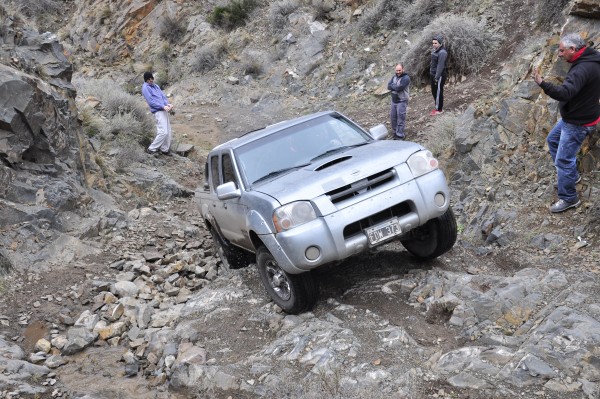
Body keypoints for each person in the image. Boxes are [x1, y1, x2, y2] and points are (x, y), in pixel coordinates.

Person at [534, 33, 600, 213]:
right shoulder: (592, 58)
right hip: (577, 117)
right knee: (552, 140)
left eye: (562, 50)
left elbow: (565, 93)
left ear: (573, 49)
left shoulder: (581, 69)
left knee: (563, 160)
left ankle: (569, 198)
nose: (560, 54)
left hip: (578, 123)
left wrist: (542, 83)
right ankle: (572, 177)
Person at [142, 72, 174, 156]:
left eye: (151, 78)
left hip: (164, 109)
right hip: (158, 111)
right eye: (149, 79)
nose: (151, 80)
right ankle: (151, 149)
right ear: (146, 80)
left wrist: (167, 104)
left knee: (168, 131)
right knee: (163, 131)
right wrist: (162, 106)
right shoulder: (145, 88)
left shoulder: (156, 86)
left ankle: (165, 149)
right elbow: (151, 102)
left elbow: (162, 96)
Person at [387, 63, 411, 140]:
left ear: (403, 69)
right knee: (393, 118)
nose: (398, 72)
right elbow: (388, 86)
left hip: (402, 100)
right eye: (397, 70)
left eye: (399, 70)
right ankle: (395, 133)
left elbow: (399, 88)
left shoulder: (406, 78)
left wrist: (393, 86)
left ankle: (400, 135)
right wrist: (394, 86)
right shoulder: (394, 77)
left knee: (401, 119)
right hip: (394, 101)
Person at [430, 34, 448, 116]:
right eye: (433, 43)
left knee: (438, 92)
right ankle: (437, 107)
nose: (434, 45)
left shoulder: (442, 52)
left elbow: (440, 66)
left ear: (440, 43)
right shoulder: (436, 50)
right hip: (433, 74)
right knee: (434, 91)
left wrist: (436, 77)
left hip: (439, 76)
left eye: (435, 43)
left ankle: (439, 109)